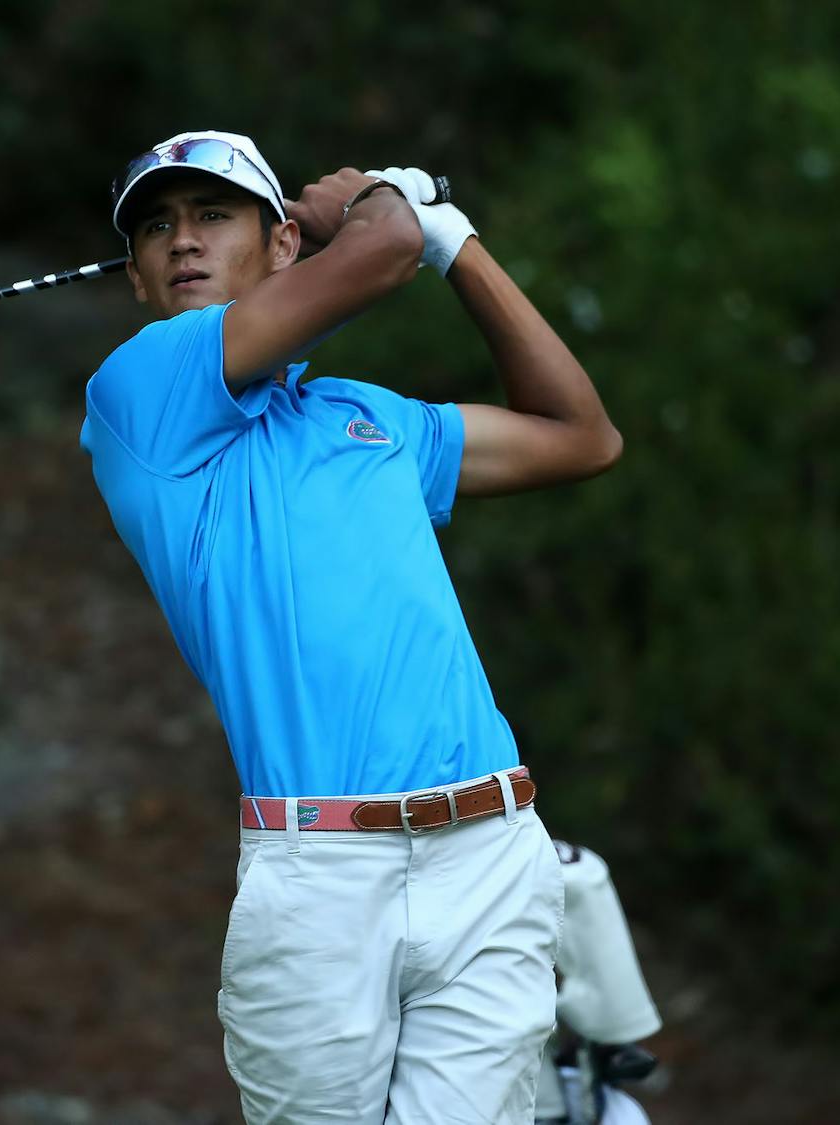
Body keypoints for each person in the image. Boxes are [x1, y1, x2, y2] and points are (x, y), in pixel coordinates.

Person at [80, 131, 622, 1123]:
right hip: (320, 877)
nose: (183, 241)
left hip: (489, 848)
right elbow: (375, 251)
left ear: (279, 244)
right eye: (156, 227)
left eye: (214, 215)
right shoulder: (139, 394)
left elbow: (581, 437)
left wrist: (455, 245)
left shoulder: (366, 419)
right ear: (138, 281)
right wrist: (381, 199)